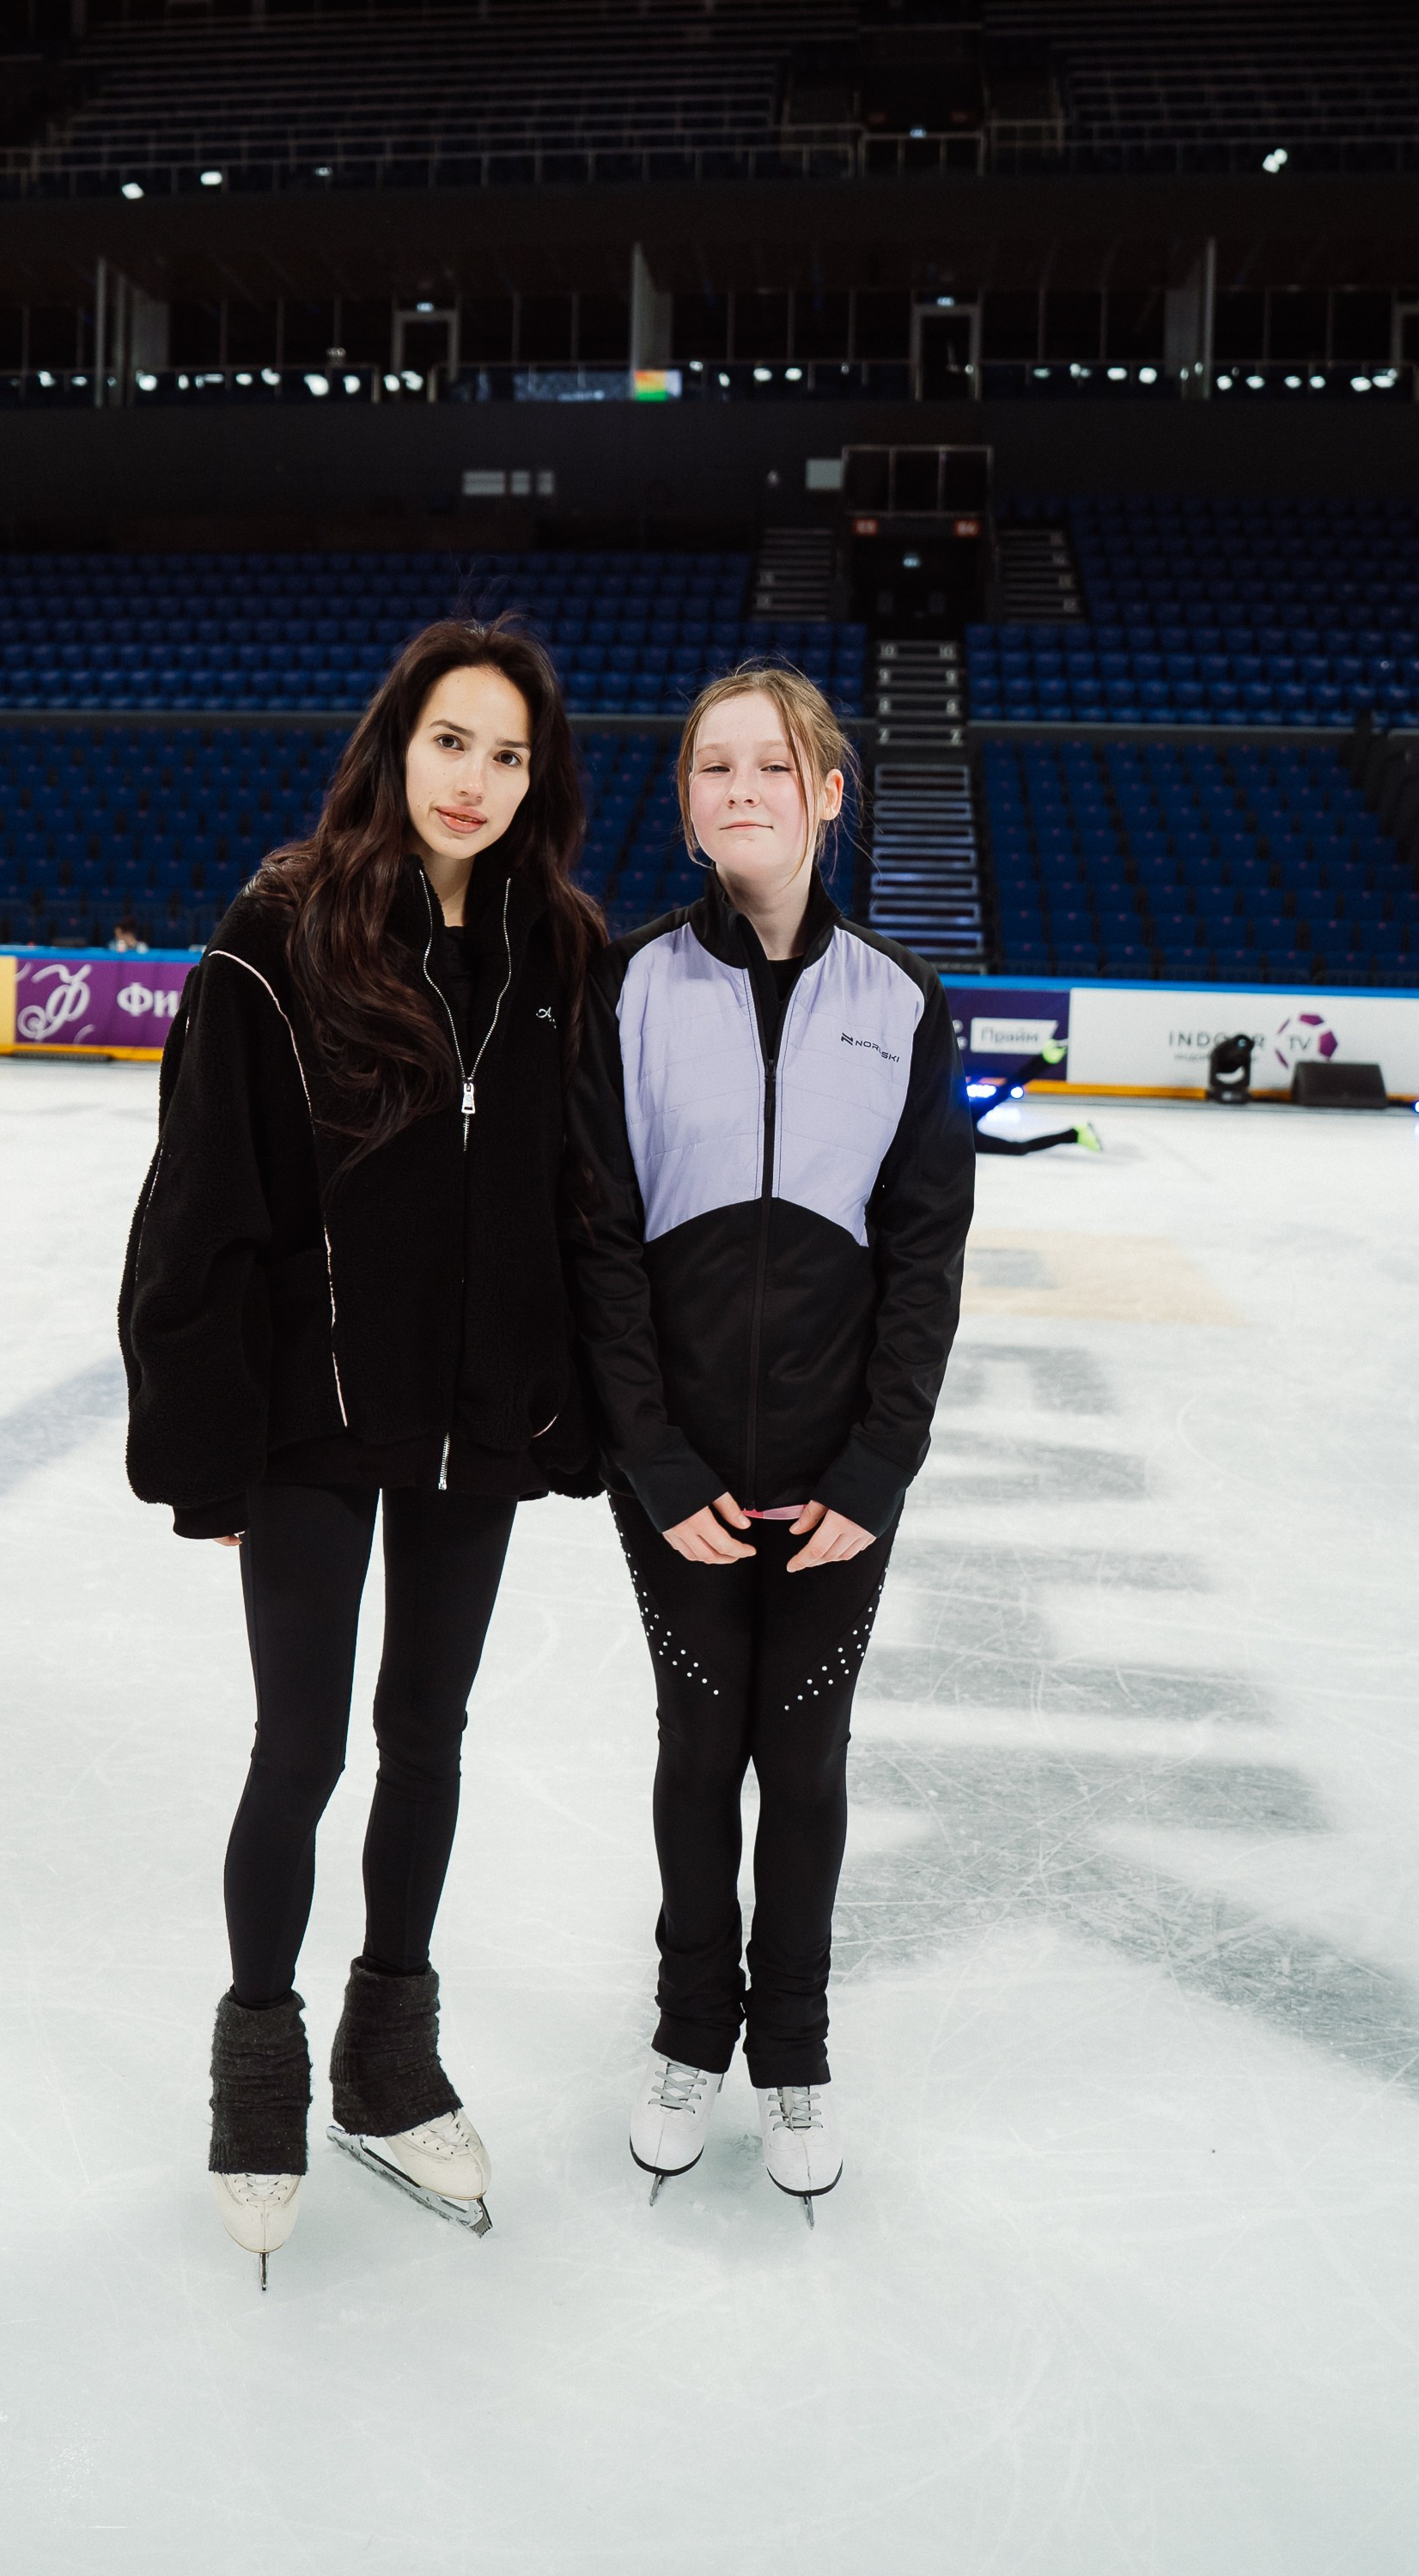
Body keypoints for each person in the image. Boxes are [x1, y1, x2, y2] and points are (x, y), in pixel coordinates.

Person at [120, 619, 602, 2275]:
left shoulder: (560, 951)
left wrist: (571, 1405)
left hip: (478, 1418)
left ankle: (388, 2065)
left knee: (432, 1735)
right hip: (312, 1425)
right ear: (397, 742)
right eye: (452, 741)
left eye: (510, 753)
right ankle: (259, 2061)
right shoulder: (277, 936)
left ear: (541, 781)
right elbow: (199, 1209)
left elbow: (577, 1201)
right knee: (304, 1749)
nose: (476, 779)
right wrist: (210, 1459)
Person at [564, 667, 975, 2217]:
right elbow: (598, 1242)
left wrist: (877, 1472)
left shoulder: (902, 1003)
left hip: (833, 1480)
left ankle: (791, 2049)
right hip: (669, 1472)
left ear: (827, 794)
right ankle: (690, 2031)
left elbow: (927, 1258)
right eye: (711, 766)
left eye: (770, 764)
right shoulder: (627, 985)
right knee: (697, 1746)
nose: (739, 786)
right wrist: (651, 1464)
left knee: (799, 1759)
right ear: (686, 803)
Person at [969, 1039, 1102, 1156]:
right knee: (1002, 1093)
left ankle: (1073, 1135)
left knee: (1002, 1093)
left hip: (957, 1127)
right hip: (957, 1129)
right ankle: (1045, 1059)